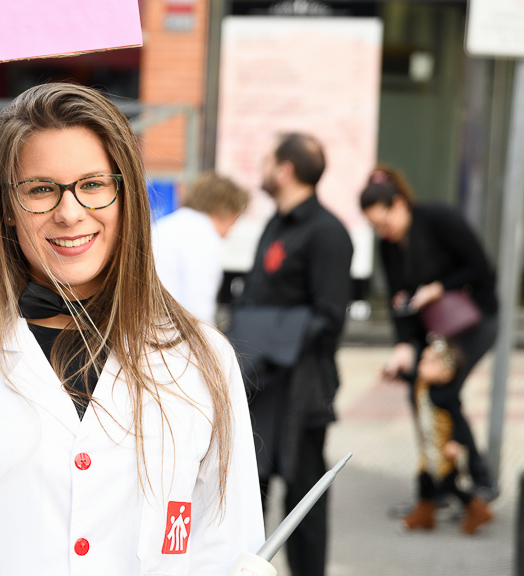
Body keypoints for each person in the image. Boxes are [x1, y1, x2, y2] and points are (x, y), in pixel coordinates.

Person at [0, 83, 264, 575]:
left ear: (127, 196)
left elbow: (226, 551)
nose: (69, 212)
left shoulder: (200, 357)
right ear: (6, 205)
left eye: (93, 184)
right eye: (41, 189)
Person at [235, 132, 353, 576]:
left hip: (303, 387)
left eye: (267, 161)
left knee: (305, 499)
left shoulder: (327, 232)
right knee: (250, 493)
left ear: (285, 170)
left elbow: (328, 317)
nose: (262, 169)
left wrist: (271, 337)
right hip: (259, 381)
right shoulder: (275, 223)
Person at [359, 166, 497, 501]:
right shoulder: (389, 246)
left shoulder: (438, 219)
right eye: (375, 227)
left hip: (470, 321)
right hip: (430, 330)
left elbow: (480, 267)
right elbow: (399, 300)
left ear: (400, 204)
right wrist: (403, 345)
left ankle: (476, 480)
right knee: (419, 395)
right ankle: (440, 484)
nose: (383, 232)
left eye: (384, 223)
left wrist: (438, 288)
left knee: (441, 393)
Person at [401, 335, 494, 534]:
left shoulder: (447, 396)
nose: (422, 365)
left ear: (446, 372)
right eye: (423, 360)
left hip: (443, 451)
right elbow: (408, 377)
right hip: (430, 449)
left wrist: (456, 442)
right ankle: (425, 514)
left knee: (450, 484)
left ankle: (477, 509)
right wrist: (392, 373)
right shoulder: (423, 385)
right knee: (424, 478)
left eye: (430, 362)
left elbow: (461, 423)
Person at [152, 171, 249, 324]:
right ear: (225, 209)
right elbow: (198, 311)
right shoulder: (204, 238)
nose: (233, 227)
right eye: (236, 217)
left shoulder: (165, 226)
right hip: (170, 333)